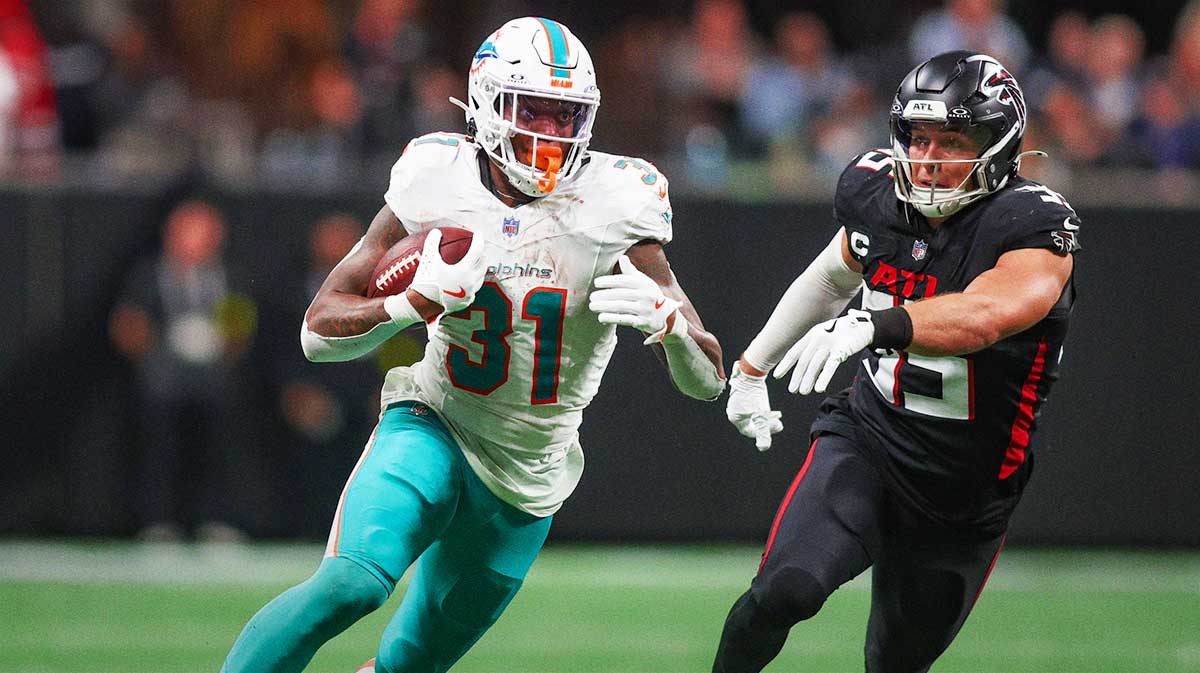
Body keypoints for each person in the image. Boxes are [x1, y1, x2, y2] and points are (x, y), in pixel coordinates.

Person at [222, 16, 725, 673]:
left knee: (410, 664)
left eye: (565, 115)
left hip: (528, 474)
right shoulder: (437, 177)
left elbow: (706, 380)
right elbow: (317, 332)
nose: (550, 133)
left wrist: (673, 330)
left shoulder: (617, 202)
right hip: (434, 423)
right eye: (532, 111)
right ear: (487, 104)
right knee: (350, 584)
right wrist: (408, 305)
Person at [716, 51, 1079, 672]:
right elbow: (830, 276)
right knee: (783, 590)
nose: (928, 158)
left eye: (953, 141)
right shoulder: (879, 194)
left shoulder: (1033, 226)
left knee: (894, 664)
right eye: (919, 138)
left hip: (966, 487)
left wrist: (874, 325)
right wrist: (751, 368)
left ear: (998, 145)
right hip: (871, 440)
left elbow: (985, 315)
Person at [108, 199, 264, 541]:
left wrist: (222, 342)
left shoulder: (230, 275)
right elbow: (127, 323)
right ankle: (159, 521)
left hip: (214, 377)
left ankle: (215, 519)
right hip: (163, 378)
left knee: (216, 449)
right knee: (161, 450)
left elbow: (243, 323)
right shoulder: (149, 274)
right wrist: (156, 351)